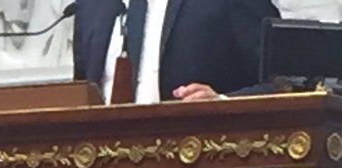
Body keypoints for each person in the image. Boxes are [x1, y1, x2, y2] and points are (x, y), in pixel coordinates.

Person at [73, 0, 279, 103]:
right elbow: (80, 94)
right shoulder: (92, 6)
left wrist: (222, 103)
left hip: (202, 162)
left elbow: (286, 82)